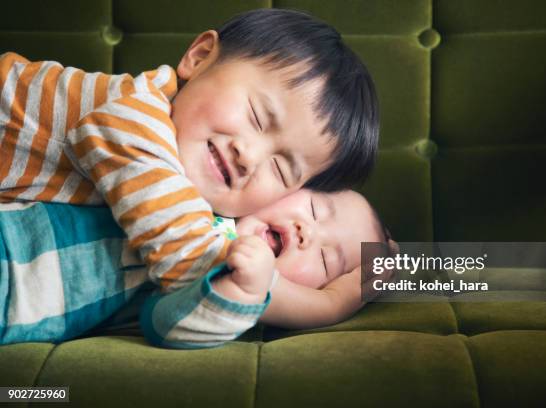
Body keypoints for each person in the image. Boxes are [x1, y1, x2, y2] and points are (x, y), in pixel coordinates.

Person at [0, 9, 379, 340]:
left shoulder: (201, 221)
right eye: (256, 117)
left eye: (281, 169)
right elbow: (191, 258)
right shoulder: (134, 114)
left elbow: (172, 319)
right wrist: (329, 302)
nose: (250, 156)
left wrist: (242, 293)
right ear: (199, 58)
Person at [0, 190, 393, 346]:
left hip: (17, 295)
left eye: (326, 259)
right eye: (314, 209)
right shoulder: (214, 190)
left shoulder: (230, 275)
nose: (307, 231)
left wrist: (344, 296)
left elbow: (168, 325)